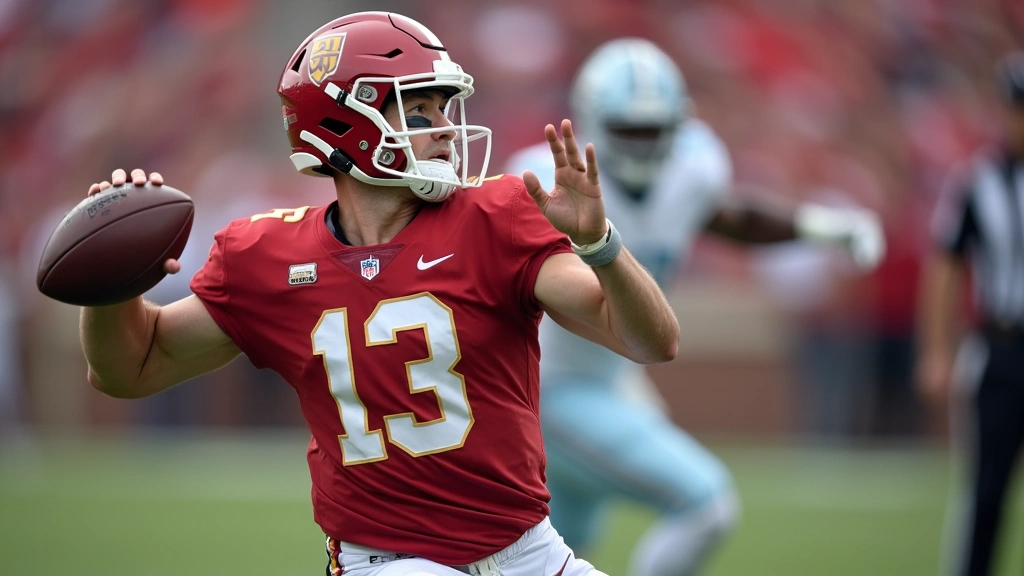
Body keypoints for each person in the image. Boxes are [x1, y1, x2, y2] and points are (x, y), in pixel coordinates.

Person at [78, 13, 681, 576]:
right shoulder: (267, 256)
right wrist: (112, 280)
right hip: (386, 560)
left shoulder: (495, 218)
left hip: (525, 548)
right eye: (420, 111)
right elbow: (132, 367)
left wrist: (600, 244)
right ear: (346, 123)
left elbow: (650, 342)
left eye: (446, 108)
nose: (447, 129)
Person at [505, 38, 885, 576]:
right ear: (592, 120)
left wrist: (816, 227)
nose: (641, 144)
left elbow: (726, 217)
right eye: (628, 129)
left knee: (567, 542)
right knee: (704, 503)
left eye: (654, 130)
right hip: (548, 383)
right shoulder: (542, 179)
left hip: (609, 377)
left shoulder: (695, 166)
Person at [916, 50, 1024, 576]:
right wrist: (938, 351)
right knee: (985, 491)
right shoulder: (978, 181)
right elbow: (946, 266)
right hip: (1001, 349)